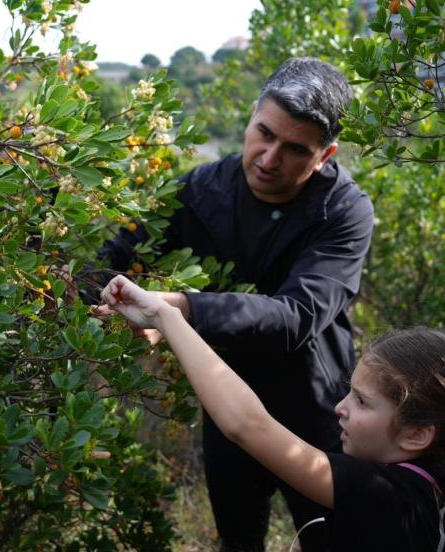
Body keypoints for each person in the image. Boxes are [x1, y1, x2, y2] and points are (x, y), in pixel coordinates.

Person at [96, 57, 374, 551]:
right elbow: (113, 261)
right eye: (264, 134)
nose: (269, 158)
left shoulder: (344, 211)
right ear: (251, 117)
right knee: (238, 541)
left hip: (316, 408)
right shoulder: (199, 189)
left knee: (335, 541)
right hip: (225, 399)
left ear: (325, 155)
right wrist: (93, 296)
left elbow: (296, 317)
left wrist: (178, 309)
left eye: (295, 149)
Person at [96, 275, 445, 552]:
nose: (340, 408)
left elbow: (246, 425)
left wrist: (167, 317)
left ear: (417, 435)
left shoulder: (388, 496)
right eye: (349, 392)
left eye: (362, 402)